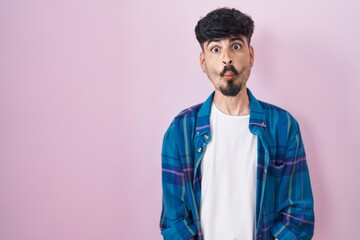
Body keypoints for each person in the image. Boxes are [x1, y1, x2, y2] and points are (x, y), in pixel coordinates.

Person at [160, 7, 314, 240]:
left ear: (251, 55)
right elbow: (174, 221)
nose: (227, 58)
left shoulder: (283, 126)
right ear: (203, 61)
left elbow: (299, 216)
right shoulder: (181, 130)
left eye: (236, 46)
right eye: (215, 49)